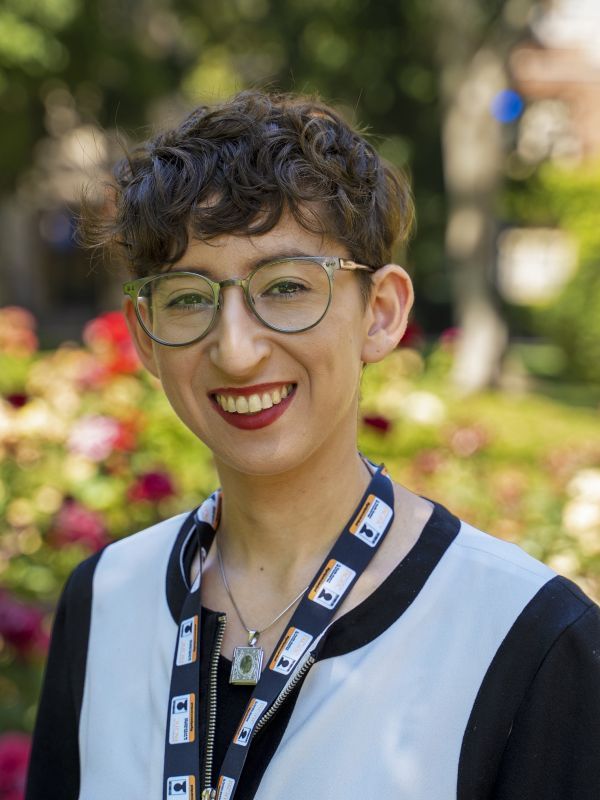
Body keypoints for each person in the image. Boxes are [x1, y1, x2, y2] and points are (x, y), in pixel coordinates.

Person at [26, 90, 600, 800]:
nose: (235, 351)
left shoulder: (526, 636)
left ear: (381, 314)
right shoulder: (104, 601)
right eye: (187, 297)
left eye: (288, 286)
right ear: (145, 337)